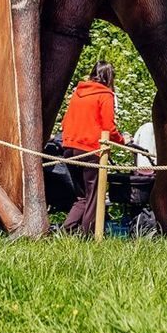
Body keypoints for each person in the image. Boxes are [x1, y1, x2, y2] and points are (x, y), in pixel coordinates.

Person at [59, 62, 125, 235]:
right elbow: (108, 128)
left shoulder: (78, 93)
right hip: (89, 149)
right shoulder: (105, 95)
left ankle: (67, 230)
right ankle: (88, 236)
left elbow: (65, 122)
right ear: (110, 77)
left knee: (82, 196)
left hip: (69, 148)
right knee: (94, 196)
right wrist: (122, 141)